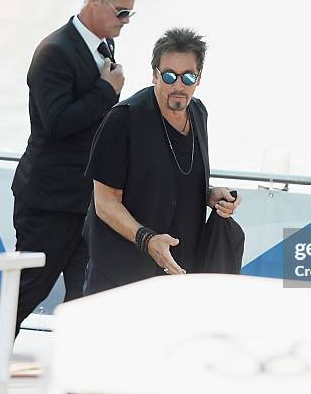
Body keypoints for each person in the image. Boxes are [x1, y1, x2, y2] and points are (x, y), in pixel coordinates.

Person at [0, 0, 137, 376]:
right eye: (122, 12)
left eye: (132, 15)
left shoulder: (101, 47)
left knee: (84, 291)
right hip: (48, 199)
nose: (126, 22)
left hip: (85, 198)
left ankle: (76, 370)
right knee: (30, 287)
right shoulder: (54, 52)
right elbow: (57, 123)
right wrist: (106, 90)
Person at [83, 27, 242, 294]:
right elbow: (105, 202)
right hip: (121, 274)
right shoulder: (123, 119)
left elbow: (174, 178)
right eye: (169, 76)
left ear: (199, 78)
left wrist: (210, 194)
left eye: (188, 77)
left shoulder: (199, 113)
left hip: (179, 271)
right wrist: (148, 240)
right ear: (155, 74)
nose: (179, 86)